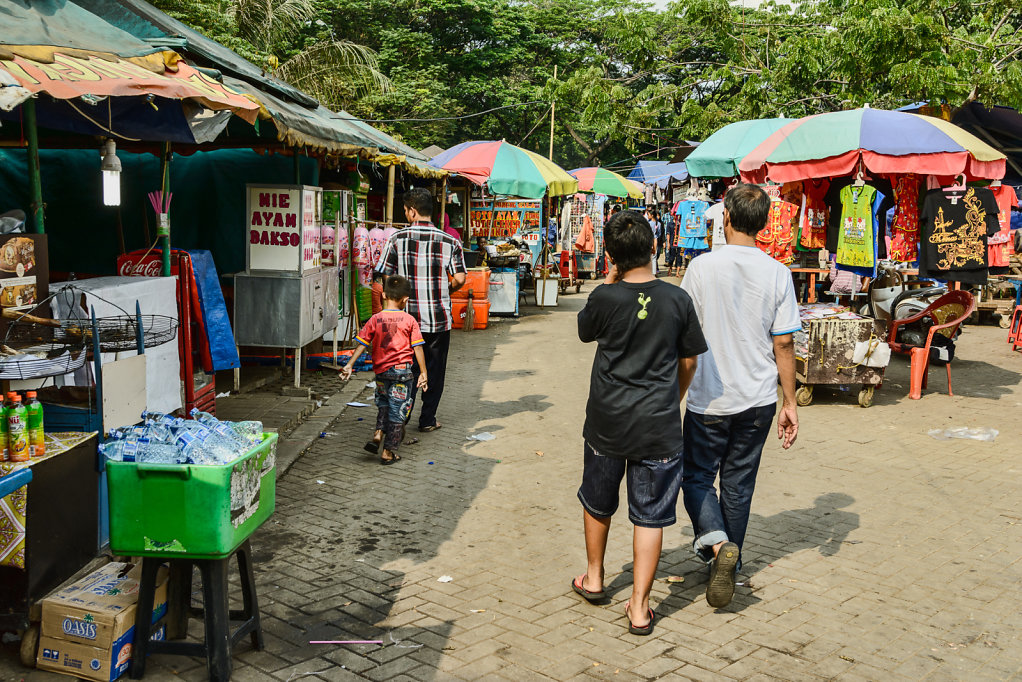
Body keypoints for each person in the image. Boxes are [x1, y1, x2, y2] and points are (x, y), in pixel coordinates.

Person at [572, 210, 707, 636]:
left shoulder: (603, 298)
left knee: (597, 498)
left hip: (607, 420)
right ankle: (639, 606)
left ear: (611, 255)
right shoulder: (677, 300)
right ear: (654, 247)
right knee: (650, 515)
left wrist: (608, 284)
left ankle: (594, 578)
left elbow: (584, 332)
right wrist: (674, 397)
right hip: (658, 424)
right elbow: (689, 361)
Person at [679, 183, 800, 608]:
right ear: (765, 224)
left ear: (725, 218)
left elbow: (683, 337)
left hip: (708, 397)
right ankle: (727, 559)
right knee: (738, 483)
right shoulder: (778, 272)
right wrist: (790, 402)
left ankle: (717, 546)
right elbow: (783, 344)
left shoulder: (700, 269)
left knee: (695, 476)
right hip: (760, 398)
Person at [376, 188, 467, 432]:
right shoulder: (450, 241)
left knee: (405, 370)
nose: (406, 214)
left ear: (413, 211)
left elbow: (385, 276)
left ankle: (399, 418)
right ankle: (427, 419)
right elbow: (459, 279)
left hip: (404, 321)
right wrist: (443, 289)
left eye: (406, 211)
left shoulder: (397, 239)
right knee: (434, 372)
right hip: (437, 320)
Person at [340, 275, 428, 465]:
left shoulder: (375, 319)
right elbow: (418, 347)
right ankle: (388, 452)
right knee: (398, 412)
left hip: (381, 372)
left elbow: (362, 344)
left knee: (384, 404)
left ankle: (379, 433)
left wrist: (349, 364)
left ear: (384, 295)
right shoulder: (409, 320)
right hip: (402, 374)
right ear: (405, 299)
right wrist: (423, 372)